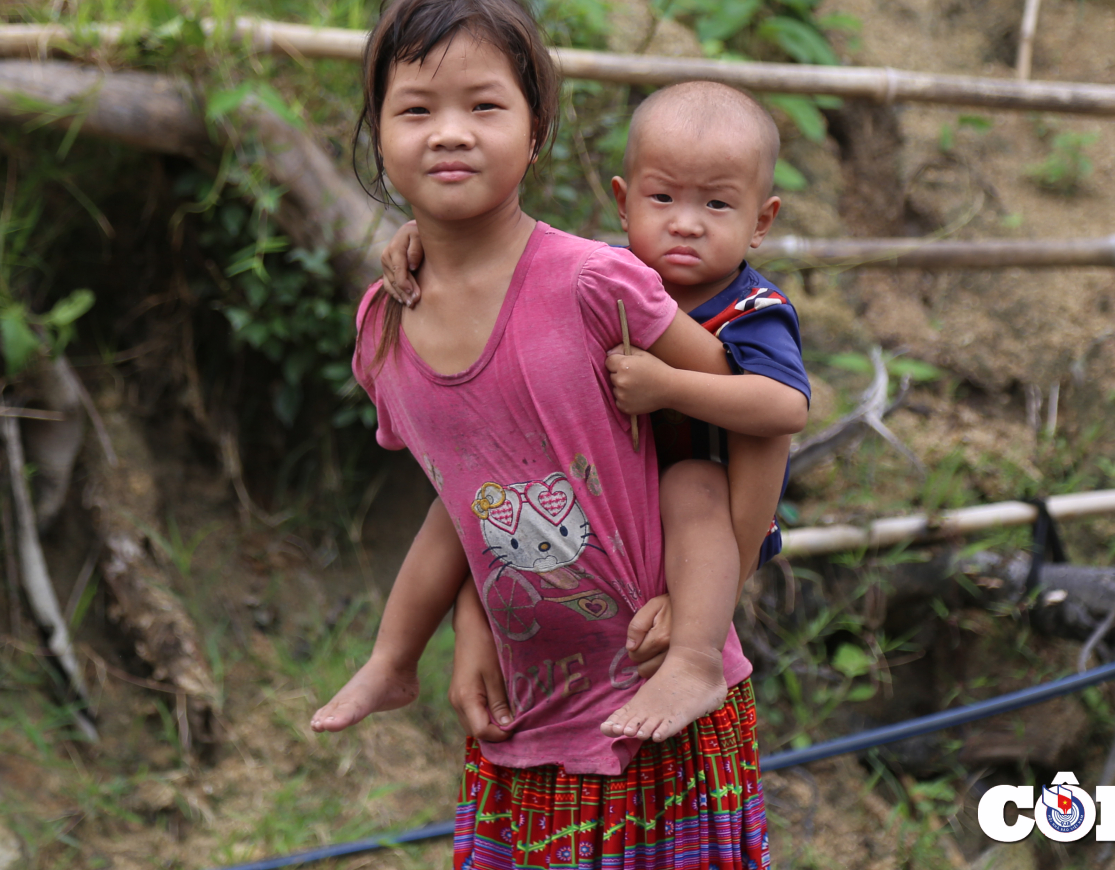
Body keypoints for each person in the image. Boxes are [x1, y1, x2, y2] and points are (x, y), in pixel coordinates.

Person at [314, 0, 771, 868]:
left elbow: (732, 404)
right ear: (377, 136)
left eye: (484, 104)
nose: (449, 130)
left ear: (534, 135)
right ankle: (389, 659)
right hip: (523, 721)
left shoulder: (593, 282)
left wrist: (700, 619)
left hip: (658, 709)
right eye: (416, 109)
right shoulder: (385, 325)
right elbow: (477, 490)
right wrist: (470, 629)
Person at [344, 80, 810, 744]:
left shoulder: (753, 311)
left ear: (760, 222)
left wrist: (668, 386)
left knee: (689, 483)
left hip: (707, 513)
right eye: (663, 198)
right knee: (453, 512)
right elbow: (515, 257)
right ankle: (392, 658)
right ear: (623, 203)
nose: (685, 222)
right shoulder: (604, 275)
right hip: (597, 498)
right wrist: (424, 234)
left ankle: (696, 659)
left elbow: (783, 408)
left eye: (716, 204)